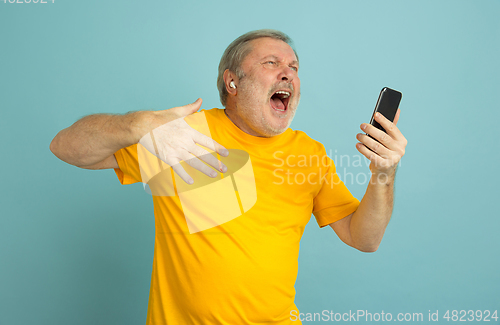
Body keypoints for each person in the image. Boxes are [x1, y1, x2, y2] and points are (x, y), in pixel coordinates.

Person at [50, 29, 407, 324]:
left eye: (294, 66)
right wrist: (136, 125)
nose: (288, 73)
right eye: (272, 63)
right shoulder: (183, 135)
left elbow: (365, 238)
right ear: (232, 82)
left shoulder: (310, 154)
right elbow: (65, 147)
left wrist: (384, 173)